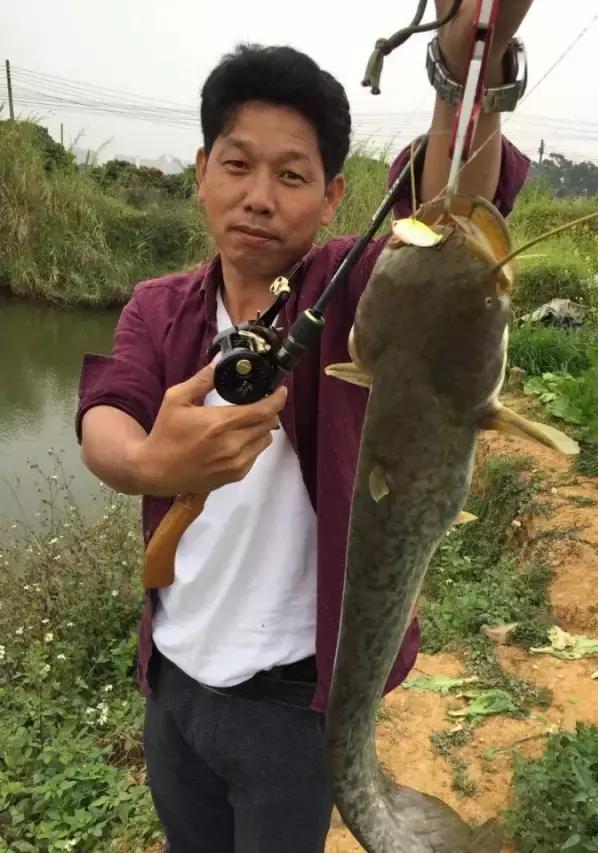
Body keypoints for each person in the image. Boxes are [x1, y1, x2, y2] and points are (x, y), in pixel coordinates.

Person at [76, 3, 534, 850]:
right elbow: (104, 411)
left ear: (331, 201)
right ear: (200, 172)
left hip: (296, 707)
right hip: (171, 686)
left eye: (291, 177)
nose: (258, 196)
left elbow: (447, 219)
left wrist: (469, 61)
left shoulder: (358, 288)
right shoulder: (157, 307)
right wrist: (147, 460)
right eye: (238, 165)